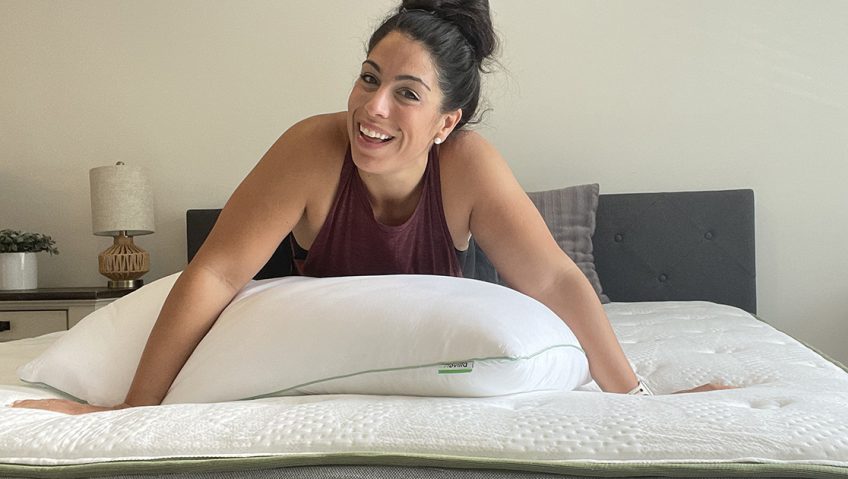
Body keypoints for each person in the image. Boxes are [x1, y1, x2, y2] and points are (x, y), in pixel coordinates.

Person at [13, 0, 728, 414]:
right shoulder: (310, 149)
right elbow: (216, 275)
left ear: (447, 124)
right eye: (367, 78)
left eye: (407, 94)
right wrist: (136, 416)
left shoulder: (469, 166)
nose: (371, 108)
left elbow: (553, 280)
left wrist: (632, 395)